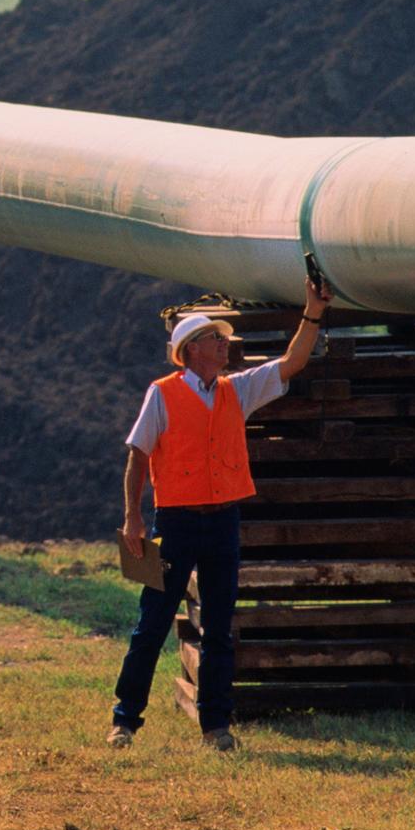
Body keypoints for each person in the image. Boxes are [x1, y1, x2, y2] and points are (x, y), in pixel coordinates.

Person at [107, 277, 331, 752]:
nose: (226, 344)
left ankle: (215, 727)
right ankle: (124, 719)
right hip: (177, 523)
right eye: (216, 338)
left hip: (223, 521)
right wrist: (133, 518)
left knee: (220, 628)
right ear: (191, 350)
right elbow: (138, 456)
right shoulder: (161, 394)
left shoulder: (237, 390)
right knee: (152, 624)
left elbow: (292, 363)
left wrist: (312, 312)